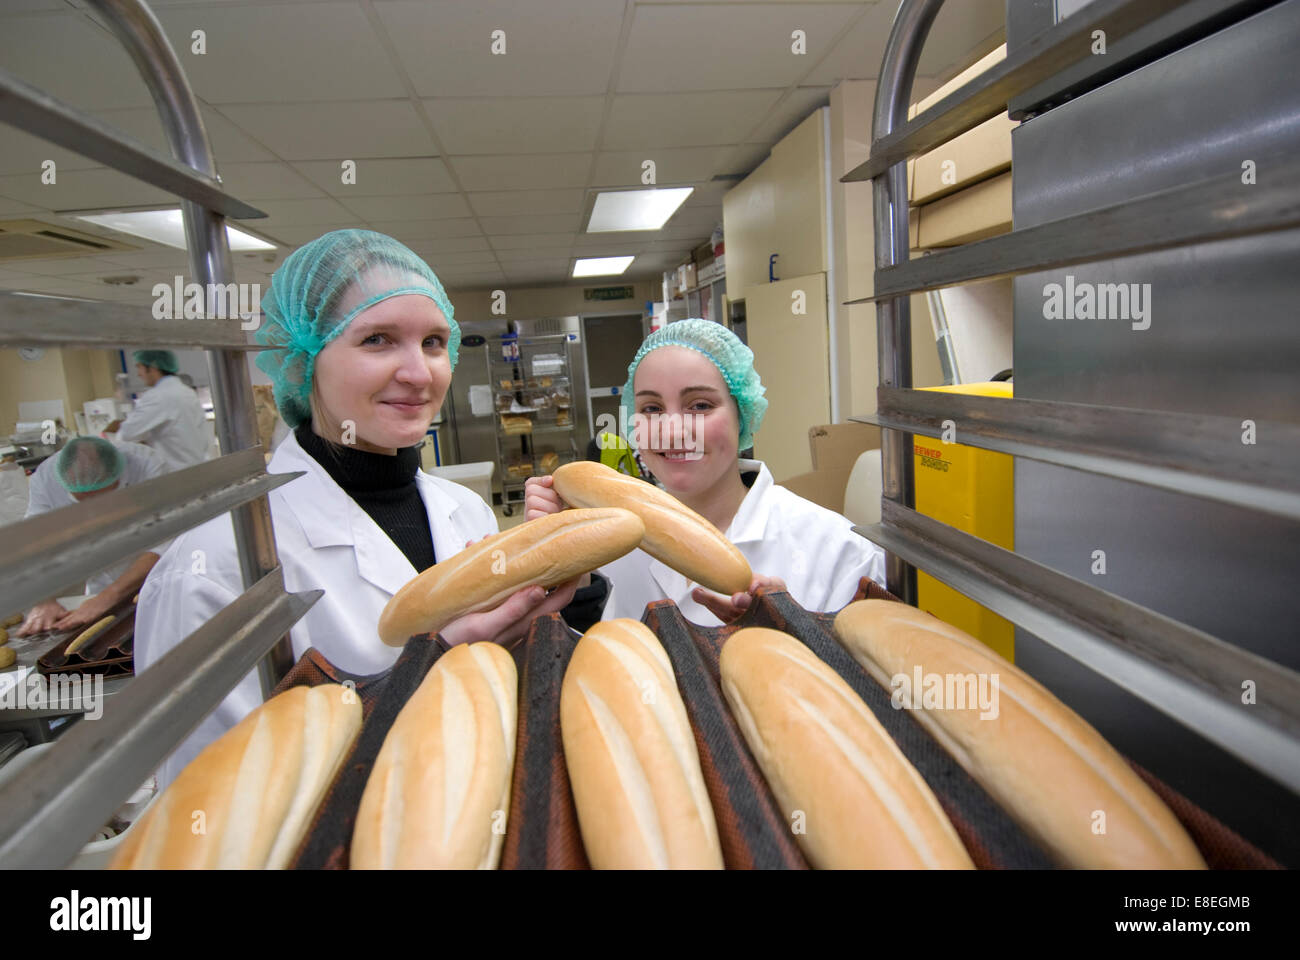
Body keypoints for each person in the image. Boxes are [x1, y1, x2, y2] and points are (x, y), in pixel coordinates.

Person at [135, 229, 577, 788]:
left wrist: (544, 607)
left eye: (435, 342)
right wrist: (435, 665)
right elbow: (207, 807)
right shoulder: (218, 563)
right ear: (304, 356)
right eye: (378, 340)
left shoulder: (465, 513)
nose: (420, 373)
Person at [526, 318, 886, 626]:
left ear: (741, 414)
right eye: (651, 408)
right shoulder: (611, 539)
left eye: (700, 405)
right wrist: (558, 565)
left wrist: (793, 635)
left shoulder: (840, 551)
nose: (673, 430)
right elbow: (586, 666)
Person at [16, 437, 168, 636]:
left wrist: (110, 597)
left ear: (118, 477)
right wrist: (44, 598)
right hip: (100, 581)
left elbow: (165, 540)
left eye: (101, 497)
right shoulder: (45, 479)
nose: (94, 508)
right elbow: (35, 540)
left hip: (156, 574)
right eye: (82, 501)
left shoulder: (148, 466)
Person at [103, 349, 209, 471]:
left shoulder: (158, 396)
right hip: (198, 468)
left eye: (139, 367)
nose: (138, 374)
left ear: (153, 367)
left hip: (175, 473)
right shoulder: (187, 392)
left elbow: (127, 434)